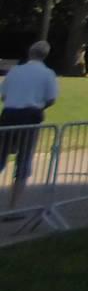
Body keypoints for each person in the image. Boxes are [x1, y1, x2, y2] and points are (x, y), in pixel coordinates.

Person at [0, 41, 58, 207]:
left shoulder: (15, 71)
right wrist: (40, 106)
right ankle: (13, 205)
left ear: (29, 53)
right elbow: (51, 98)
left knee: (1, 156)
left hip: (9, 114)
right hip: (30, 114)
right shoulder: (48, 73)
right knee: (24, 160)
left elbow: (4, 96)